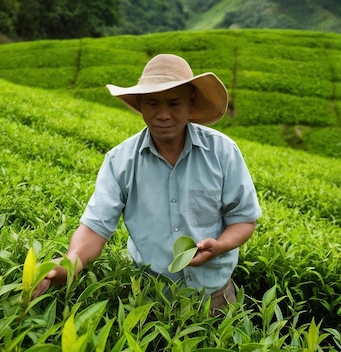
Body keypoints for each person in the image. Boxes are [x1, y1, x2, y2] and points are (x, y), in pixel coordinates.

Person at [33, 54, 262, 314]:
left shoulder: (222, 152)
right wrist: (67, 264)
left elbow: (243, 219)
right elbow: (95, 228)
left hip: (215, 297)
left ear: (191, 103)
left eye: (174, 103)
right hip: (150, 300)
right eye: (153, 103)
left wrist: (219, 246)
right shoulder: (120, 161)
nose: (163, 115)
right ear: (141, 105)